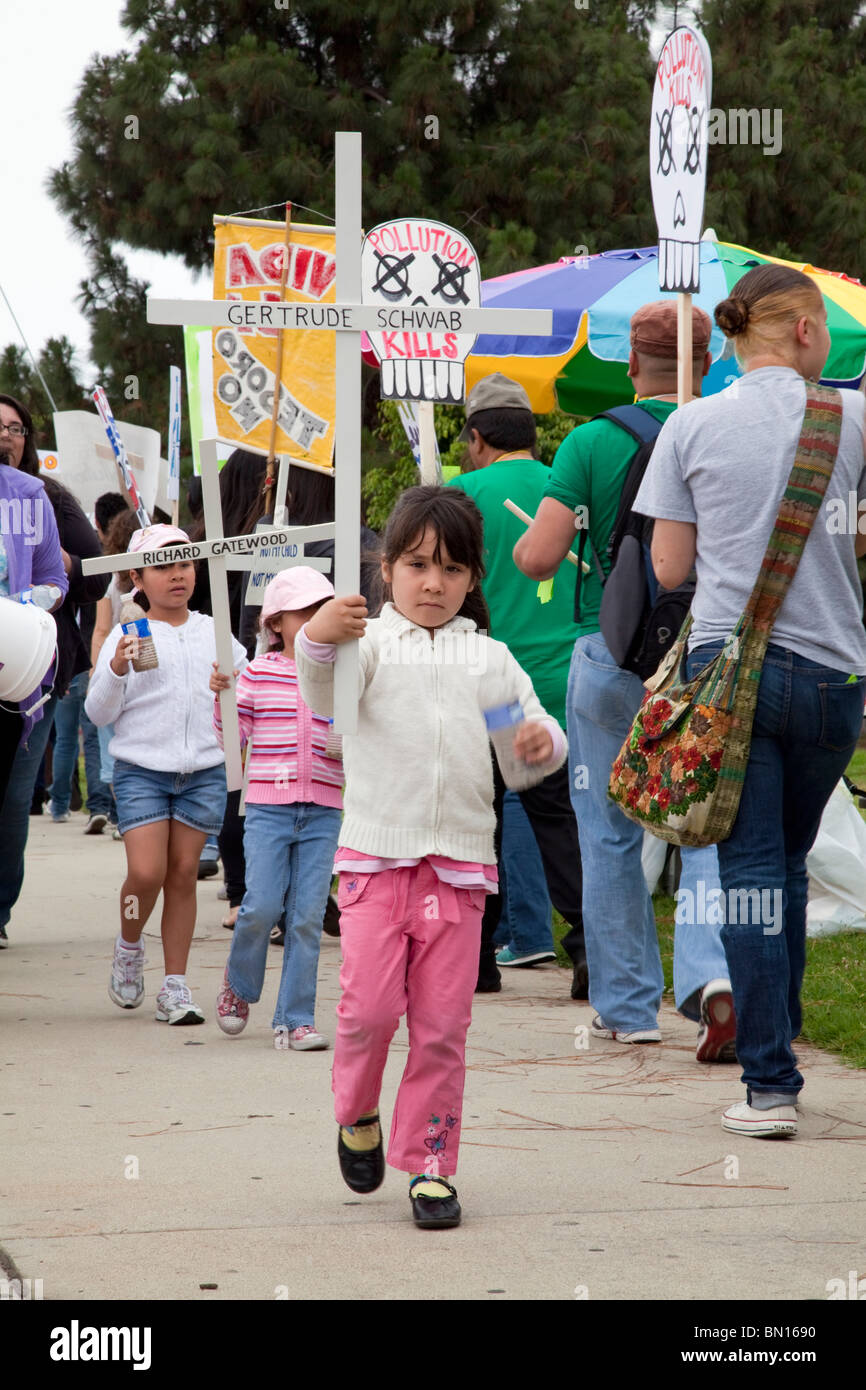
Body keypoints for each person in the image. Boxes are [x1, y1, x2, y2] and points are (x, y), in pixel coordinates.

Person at [295, 485, 567, 1229]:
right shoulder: (368, 646)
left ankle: (434, 1165)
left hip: (460, 873)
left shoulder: (489, 661)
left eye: (450, 569)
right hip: (377, 865)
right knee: (369, 1015)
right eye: (416, 565)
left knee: (443, 1029)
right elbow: (324, 697)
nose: (432, 583)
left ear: (474, 578)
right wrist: (319, 636)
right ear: (387, 568)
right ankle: (357, 1114)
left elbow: (522, 750)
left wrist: (541, 745)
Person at [635, 266, 866, 1137]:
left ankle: (769, 1083)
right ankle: (782, 1033)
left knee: (751, 878)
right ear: (805, 331)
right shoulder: (851, 419)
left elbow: (667, 570)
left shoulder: (691, 423)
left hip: (731, 680)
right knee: (787, 865)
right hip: (834, 679)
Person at [514, 302, 735, 1061]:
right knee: (705, 825)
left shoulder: (591, 440)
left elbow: (539, 558)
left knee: (607, 834)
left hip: (611, 654)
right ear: (708, 363)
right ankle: (713, 985)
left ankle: (628, 1005)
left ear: (632, 364)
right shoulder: (731, 430)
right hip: (708, 654)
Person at [447, 373, 587, 995]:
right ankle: (590, 951)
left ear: (477, 438)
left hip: (497, 689)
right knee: (561, 823)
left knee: (482, 822)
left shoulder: (461, 496)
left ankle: (475, 960)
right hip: (570, 679)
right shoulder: (570, 484)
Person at [85, 524, 247, 1024]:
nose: (178, 575)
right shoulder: (128, 633)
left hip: (202, 772)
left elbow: (248, 698)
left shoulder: (215, 631)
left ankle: (175, 986)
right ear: (137, 575)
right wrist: (113, 667)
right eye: (163, 566)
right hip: (142, 773)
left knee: (182, 876)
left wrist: (230, 687)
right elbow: (99, 714)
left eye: (185, 564)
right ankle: (129, 945)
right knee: (147, 872)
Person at [211, 568, 343, 1049]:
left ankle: (296, 1017)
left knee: (307, 916)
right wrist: (221, 702)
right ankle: (240, 983)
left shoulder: (342, 673)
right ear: (276, 623)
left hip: (325, 807)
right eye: (303, 611)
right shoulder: (258, 671)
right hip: (268, 805)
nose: (314, 619)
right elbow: (229, 736)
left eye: (321, 609)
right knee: (261, 905)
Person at [0, 418, 67, 892]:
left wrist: (21, 609)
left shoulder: (28, 495)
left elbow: (55, 582)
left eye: (13, 429)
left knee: (8, 804)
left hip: (9, 674)